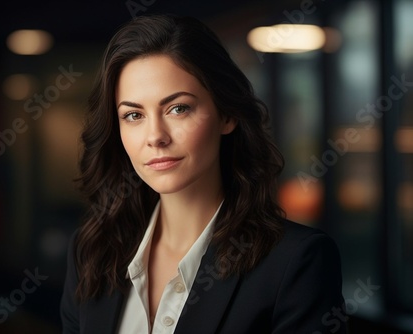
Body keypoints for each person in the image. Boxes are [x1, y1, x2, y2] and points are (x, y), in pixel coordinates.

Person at [60, 14, 346, 334]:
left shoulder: (297, 261)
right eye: (133, 115)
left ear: (227, 115)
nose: (155, 136)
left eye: (178, 108)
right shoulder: (92, 251)